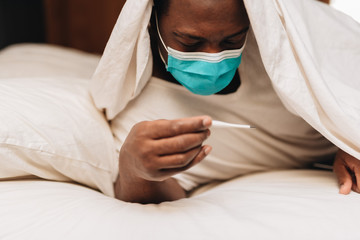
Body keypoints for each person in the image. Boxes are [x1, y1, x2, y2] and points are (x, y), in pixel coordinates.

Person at [107, 0, 360, 204]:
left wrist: (349, 139)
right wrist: (134, 170)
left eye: (232, 41)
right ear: (151, 21)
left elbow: (345, 68)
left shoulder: (286, 43)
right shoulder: (138, 108)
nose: (214, 59)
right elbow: (162, 192)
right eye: (190, 42)